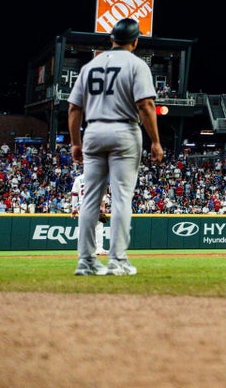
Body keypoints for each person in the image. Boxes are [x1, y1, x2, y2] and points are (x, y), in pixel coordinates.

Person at [68, 18, 164, 276]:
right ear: (135, 41)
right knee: (122, 198)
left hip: (93, 130)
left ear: (111, 39)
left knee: (90, 199)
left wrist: (76, 142)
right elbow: (145, 105)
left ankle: (85, 261)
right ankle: (117, 261)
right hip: (124, 130)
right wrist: (155, 141)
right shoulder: (136, 64)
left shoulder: (90, 66)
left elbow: (74, 108)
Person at [69, 168, 108, 256]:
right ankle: (99, 249)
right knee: (98, 226)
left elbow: (74, 195)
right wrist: (103, 206)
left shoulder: (78, 179)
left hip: (82, 206)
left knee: (82, 228)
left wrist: (74, 208)